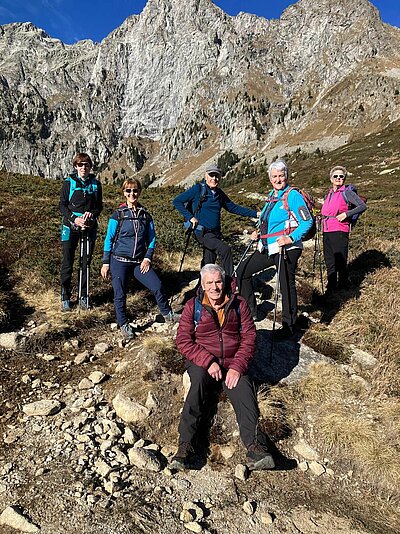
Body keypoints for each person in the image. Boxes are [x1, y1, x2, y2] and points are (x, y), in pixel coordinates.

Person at [170, 263, 275, 471]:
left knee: (245, 393)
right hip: (203, 361)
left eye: (218, 281)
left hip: (232, 362)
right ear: (202, 283)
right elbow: (183, 340)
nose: (215, 287)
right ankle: (185, 446)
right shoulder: (193, 306)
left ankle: (256, 448)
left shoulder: (239, 304)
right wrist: (207, 361)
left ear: (224, 281)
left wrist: (237, 366)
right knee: (197, 385)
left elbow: (249, 338)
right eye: (209, 283)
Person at [236, 160, 313, 339]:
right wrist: (258, 232)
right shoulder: (272, 194)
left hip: (287, 248)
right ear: (270, 178)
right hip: (269, 246)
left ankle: (289, 326)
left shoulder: (292, 196)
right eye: (275, 176)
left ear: (287, 176)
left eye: (281, 175)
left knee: (286, 286)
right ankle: (251, 312)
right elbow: (266, 220)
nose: (278, 179)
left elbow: (307, 221)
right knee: (242, 272)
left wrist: (290, 238)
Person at [101, 178, 179, 340]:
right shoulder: (118, 215)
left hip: (139, 262)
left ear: (139, 192)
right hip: (119, 261)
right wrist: (106, 262)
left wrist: (147, 258)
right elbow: (109, 239)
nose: (132, 194)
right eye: (128, 191)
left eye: (135, 190)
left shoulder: (145, 215)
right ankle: (123, 324)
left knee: (157, 285)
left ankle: (167, 313)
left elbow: (152, 239)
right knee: (120, 294)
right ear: (123, 193)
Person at [172, 164, 259, 276]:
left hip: (215, 233)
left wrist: (255, 214)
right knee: (225, 249)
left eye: (217, 176)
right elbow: (177, 201)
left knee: (208, 264)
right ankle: (230, 283)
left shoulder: (219, 193)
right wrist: (191, 217)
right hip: (202, 232)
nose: (214, 178)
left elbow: (233, 208)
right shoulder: (198, 189)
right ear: (206, 176)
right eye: (211, 175)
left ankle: (201, 290)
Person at [60, 153, 103, 311]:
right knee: (68, 262)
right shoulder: (68, 183)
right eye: (80, 164)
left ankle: (83, 296)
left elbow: (99, 206)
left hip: (89, 227)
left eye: (86, 165)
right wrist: (74, 219)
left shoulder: (96, 184)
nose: (83, 167)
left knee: (85, 263)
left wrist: (92, 214)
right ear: (75, 166)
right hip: (70, 227)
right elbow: (62, 206)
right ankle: (65, 295)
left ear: (90, 167)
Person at [321, 165, 367, 293]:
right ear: (331, 178)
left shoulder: (347, 192)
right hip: (327, 230)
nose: (338, 178)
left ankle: (343, 289)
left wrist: (346, 214)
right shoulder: (329, 193)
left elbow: (362, 206)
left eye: (341, 176)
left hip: (340, 230)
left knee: (340, 261)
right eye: (335, 176)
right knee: (329, 260)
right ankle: (331, 288)